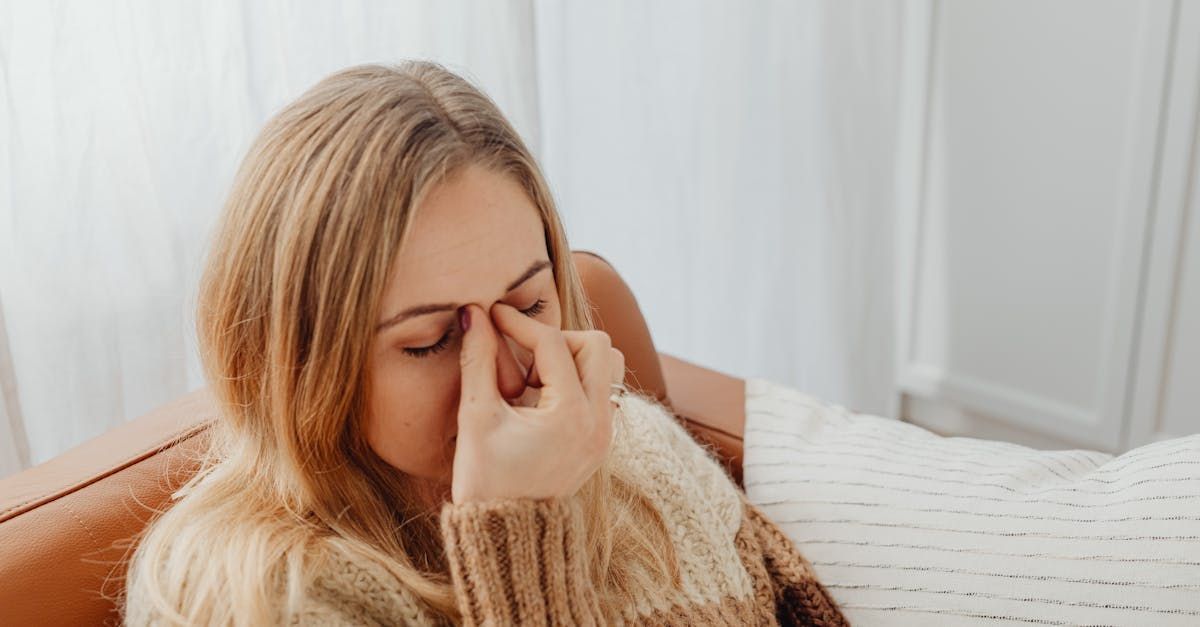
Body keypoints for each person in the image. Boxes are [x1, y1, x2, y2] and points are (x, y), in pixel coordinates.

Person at [121, 60, 848, 626]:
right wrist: (517, 534)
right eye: (433, 340)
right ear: (302, 366)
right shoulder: (247, 596)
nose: (500, 376)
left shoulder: (632, 453)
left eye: (529, 302)